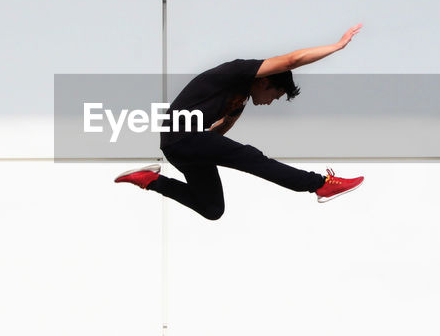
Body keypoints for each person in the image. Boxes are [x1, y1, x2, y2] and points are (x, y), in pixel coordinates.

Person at [114, 24, 366, 220]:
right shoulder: (239, 71)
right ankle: (320, 184)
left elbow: (217, 136)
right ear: (265, 81)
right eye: (274, 96)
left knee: (212, 208)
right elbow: (291, 61)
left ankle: (150, 180)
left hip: (181, 146)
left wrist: (229, 119)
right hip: (183, 136)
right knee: (252, 158)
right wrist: (337, 46)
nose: (270, 102)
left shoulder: (239, 98)